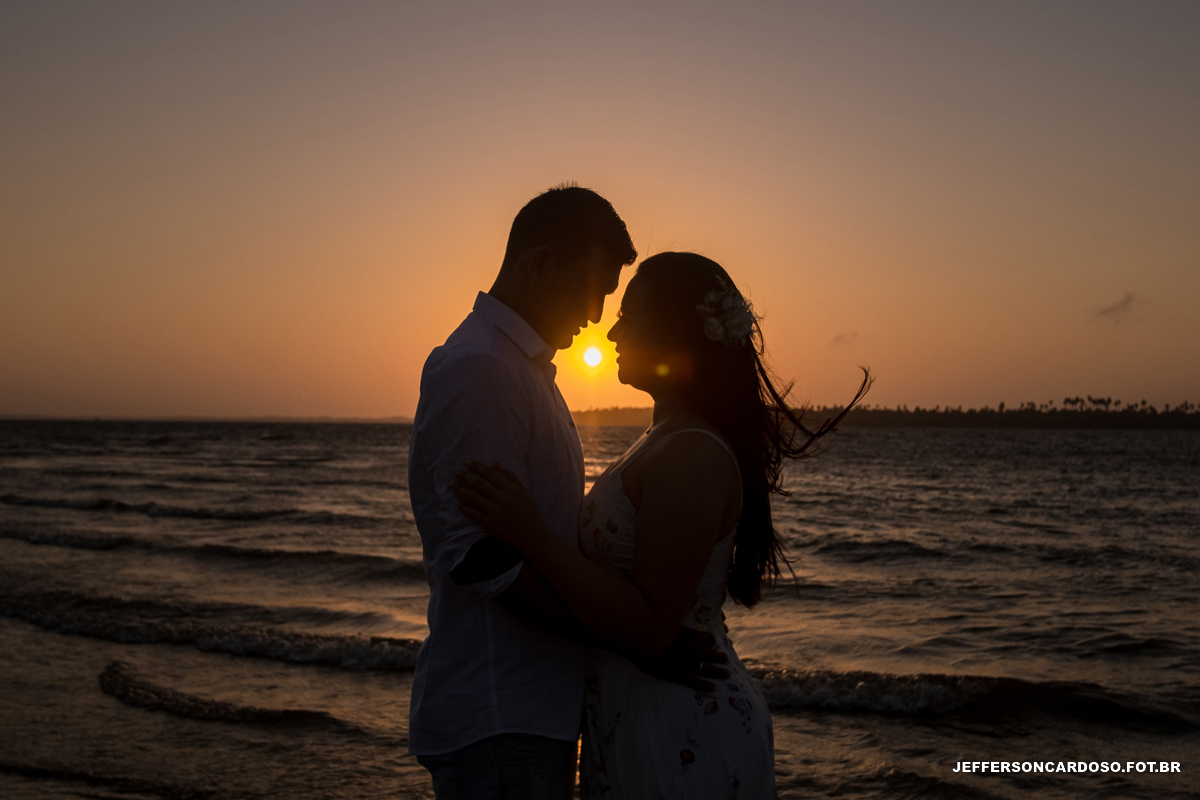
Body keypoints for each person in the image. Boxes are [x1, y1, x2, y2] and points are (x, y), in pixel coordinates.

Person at [454, 251, 871, 798]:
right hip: (641, 711)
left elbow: (651, 627)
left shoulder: (691, 455)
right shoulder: (665, 439)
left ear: (676, 336)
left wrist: (530, 531)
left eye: (631, 314)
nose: (614, 328)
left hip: (680, 724)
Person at [408, 188, 727, 800]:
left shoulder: (522, 368)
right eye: (595, 288)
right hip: (502, 708)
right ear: (540, 264)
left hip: (531, 709)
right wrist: (632, 642)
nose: (599, 312)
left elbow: (529, 533)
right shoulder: (481, 368)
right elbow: (481, 560)